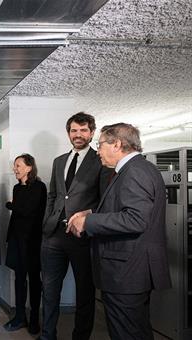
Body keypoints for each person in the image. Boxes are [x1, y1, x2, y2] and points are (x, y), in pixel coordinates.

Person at [67, 123, 171, 340]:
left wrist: (89, 222)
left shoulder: (134, 172)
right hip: (131, 269)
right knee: (135, 330)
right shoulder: (137, 169)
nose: (98, 151)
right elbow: (127, 208)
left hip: (127, 271)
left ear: (117, 144)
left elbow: (136, 219)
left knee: (127, 333)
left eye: (100, 144)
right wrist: (92, 211)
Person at [40, 112, 112, 340]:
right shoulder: (59, 161)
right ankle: (47, 334)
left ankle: (80, 337)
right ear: (68, 133)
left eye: (83, 130)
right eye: (73, 130)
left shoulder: (100, 161)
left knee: (85, 292)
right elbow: (53, 194)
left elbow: (105, 199)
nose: (78, 135)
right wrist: (48, 220)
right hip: (53, 235)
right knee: (49, 290)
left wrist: (88, 220)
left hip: (83, 236)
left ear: (91, 133)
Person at [4, 154, 47, 334]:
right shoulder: (16, 188)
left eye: (18, 166)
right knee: (19, 279)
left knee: (34, 280)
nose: (15, 169)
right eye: (15, 166)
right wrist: (9, 239)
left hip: (32, 241)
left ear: (29, 168)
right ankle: (20, 317)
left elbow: (29, 211)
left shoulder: (39, 187)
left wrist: (10, 205)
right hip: (16, 240)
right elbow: (19, 215)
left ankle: (34, 320)